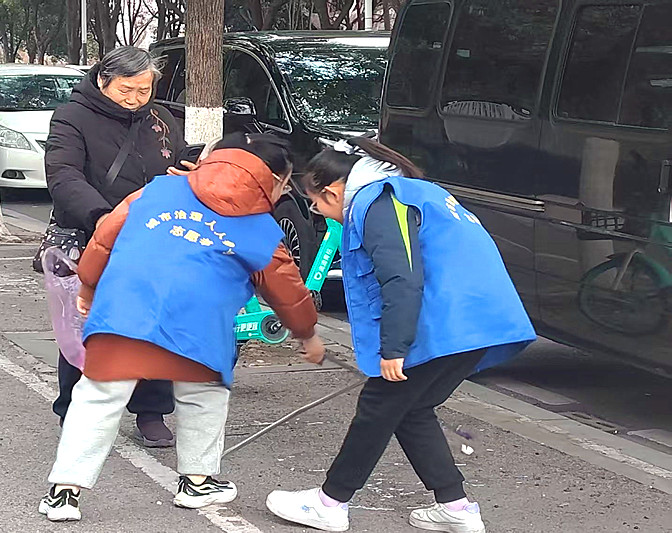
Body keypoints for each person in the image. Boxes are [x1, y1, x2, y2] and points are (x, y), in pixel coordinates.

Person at [39, 133, 325, 522]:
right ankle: (197, 483)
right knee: (203, 397)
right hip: (201, 325)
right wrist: (306, 333)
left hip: (126, 310)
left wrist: (88, 286)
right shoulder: (260, 228)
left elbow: (105, 238)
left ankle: (63, 494)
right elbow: (285, 290)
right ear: (273, 180)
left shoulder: (158, 190)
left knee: (98, 398)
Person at [265, 137, 536, 533]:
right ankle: (456, 508)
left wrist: (393, 347)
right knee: (410, 408)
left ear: (334, 190)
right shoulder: (413, 192)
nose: (320, 213)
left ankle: (331, 501)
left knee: (379, 404)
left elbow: (401, 277)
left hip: (446, 321)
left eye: (318, 203)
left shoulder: (381, 202)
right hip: (476, 319)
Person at [44, 46, 187, 446]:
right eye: (127, 89)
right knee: (87, 325)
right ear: (104, 79)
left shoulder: (160, 117)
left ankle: (151, 411)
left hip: (154, 236)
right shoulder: (72, 117)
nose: (135, 99)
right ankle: (73, 407)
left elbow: (176, 156)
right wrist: (101, 217)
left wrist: (189, 166)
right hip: (94, 235)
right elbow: (63, 174)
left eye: (144, 90)